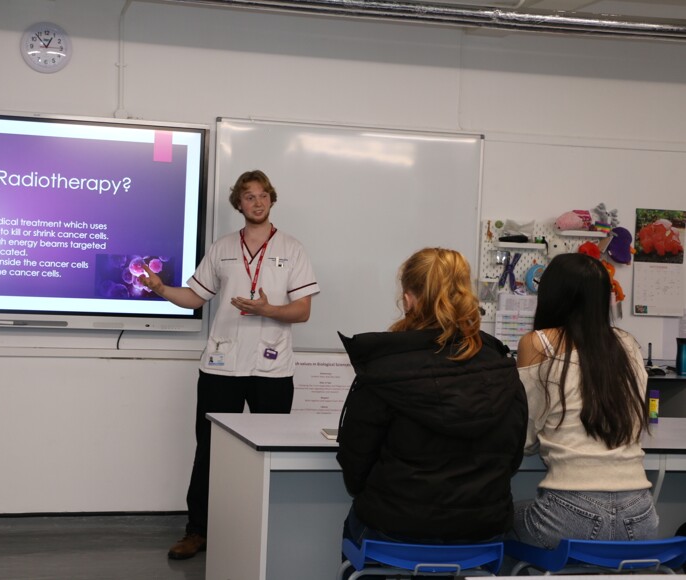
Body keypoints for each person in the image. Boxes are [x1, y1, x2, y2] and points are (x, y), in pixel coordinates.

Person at [140, 169, 320, 560]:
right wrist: (162, 289)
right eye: (249, 196)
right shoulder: (222, 247)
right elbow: (195, 297)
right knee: (209, 450)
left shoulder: (292, 248)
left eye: (263, 195)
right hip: (221, 367)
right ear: (238, 203)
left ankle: (269, 529)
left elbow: (303, 311)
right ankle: (198, 531)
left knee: (271, 451)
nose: (257, 202)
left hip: (272, 368)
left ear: (272, 199)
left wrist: (268, 310)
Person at [337, 247, 528, 544]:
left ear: (409, 299)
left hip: (394, 529)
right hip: (481, 535)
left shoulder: (383, 370)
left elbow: (355, 469)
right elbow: (512, 460)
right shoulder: (503, 368)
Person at [510, 252, 658, 547]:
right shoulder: (627, 344)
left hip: (569, 515)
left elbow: (525, 441)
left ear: (551, 294)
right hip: (641, 516)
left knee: (497, 520)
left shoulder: (538, 343)